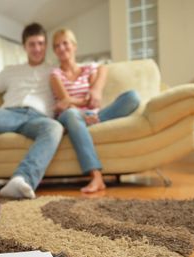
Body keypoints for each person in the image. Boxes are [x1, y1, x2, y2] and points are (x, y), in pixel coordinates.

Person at [0, 23, 63, 200]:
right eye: (32, 44)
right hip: (8, 114)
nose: (37, 48)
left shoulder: (55, 71)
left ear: (46, 45)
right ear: (24, 46)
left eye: (40, 43)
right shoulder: (11, 71)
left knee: (55, 128)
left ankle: (22, 180)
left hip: (38, 119)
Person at [50, 29, 140, 193]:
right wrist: (82, 106)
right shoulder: (55, 74)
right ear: (54, 51)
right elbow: (65, 102)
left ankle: (89, 122)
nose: (61, 48)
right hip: (71, 118)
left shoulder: (88, 69)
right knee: (71, 114)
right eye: (57, 46)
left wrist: (96, 91)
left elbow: (94, 96)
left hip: (95, 116)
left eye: (65, 43)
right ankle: (96, 176)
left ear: (74, 46)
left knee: (132, 97)